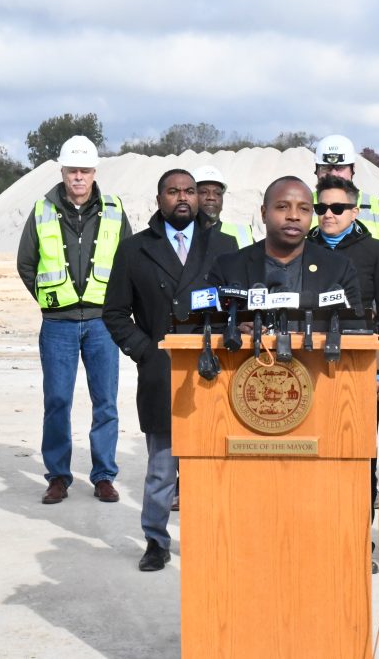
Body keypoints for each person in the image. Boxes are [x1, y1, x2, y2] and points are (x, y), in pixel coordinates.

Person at [103, 169, 238, 571]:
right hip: (162, 370)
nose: (183, 197)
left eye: (190, 191)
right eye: (174, 191)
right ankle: (156, 541)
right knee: (162, 468)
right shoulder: (134, 249)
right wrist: (146, 351)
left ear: (200, 198)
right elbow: (114, 313)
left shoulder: (226, 247)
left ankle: (208, 538)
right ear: (159, 198)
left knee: (212, 466)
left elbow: (242, 306)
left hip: (214, 369)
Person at [16, 136, 132, 505]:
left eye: (84, 170)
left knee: (106, 403)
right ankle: (58, 477)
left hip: (102, 324)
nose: (78, 177)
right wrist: (51, 300)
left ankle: (103, 476)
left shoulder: (113, 209)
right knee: (57, 401)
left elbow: (128, 262)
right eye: (72, 171)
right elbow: (26, 264)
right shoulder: (42, 210)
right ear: (62, 172)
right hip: (58, 325)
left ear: (94, 172)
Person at [309, 175, 379, 559]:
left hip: (358, 369)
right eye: (321, 208)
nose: (327, 215)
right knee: (314, 450)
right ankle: (318, 532)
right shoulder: (303, 246)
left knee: (359, 454)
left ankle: (359, 537)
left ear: (354, 210)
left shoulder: (374, 251)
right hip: (311, 366)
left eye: (337, 208)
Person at [209, 176, 362, 311]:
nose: (294, 216)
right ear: (263, 214)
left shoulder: (339, 268)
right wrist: (237, 329)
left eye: (304, 209)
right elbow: (204, 328)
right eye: (282, 207)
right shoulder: (227, 268)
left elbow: (357, 331)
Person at [313, 134, 379, 288]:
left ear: (352, 169)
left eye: (340, 168)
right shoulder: (301, 206)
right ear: (316, 171)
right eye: (326, 168)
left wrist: (375, 307)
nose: (333, 174)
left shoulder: (377, 209)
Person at [192, 165, 255, 247]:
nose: (211, 197)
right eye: (204, 192)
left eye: (218, 193)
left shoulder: (243, 235)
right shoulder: (180, 237)